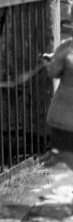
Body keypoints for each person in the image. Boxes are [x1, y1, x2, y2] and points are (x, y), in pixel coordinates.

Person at [46, 37, 73, 167]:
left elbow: (54, 71)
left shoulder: (68, 46)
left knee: (66, 154)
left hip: (66, 116)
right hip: (65, 115)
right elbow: (54, 72)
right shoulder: (68, 46)